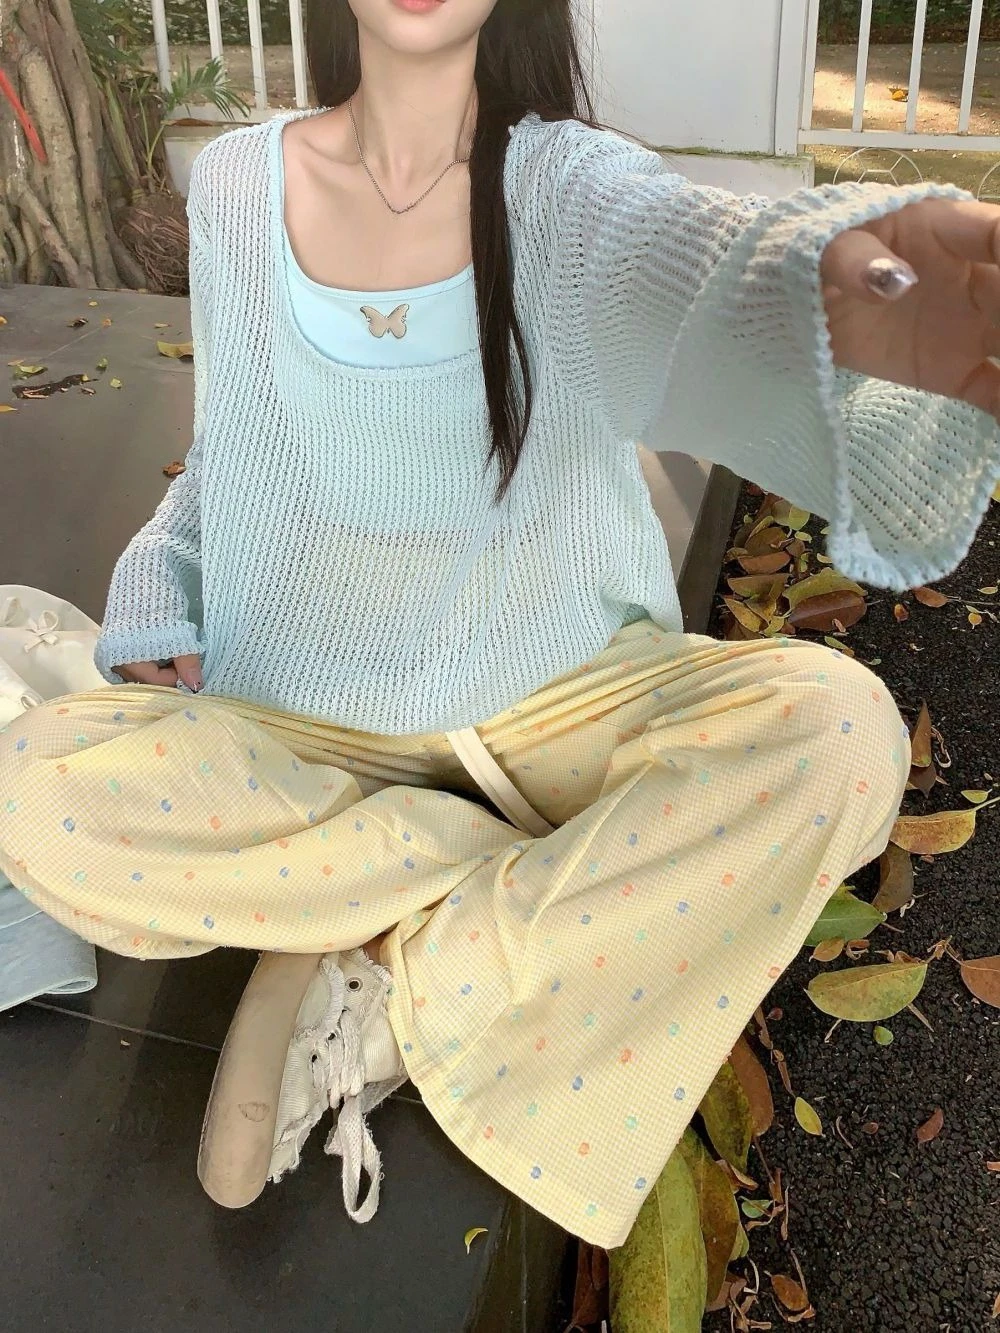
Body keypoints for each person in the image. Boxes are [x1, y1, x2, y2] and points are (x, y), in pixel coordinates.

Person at [2, 0, 999, 1250]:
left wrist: (869, 278)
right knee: (39, 790)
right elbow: (231, 451)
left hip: (557, 702)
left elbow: (713, 264)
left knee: (840, 734)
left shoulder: (569, 188)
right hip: (306, 712)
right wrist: (161, 572)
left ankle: (389, 968)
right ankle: (509, 898)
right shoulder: (240, 185)